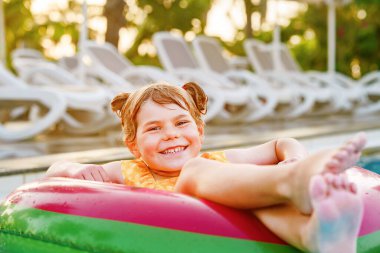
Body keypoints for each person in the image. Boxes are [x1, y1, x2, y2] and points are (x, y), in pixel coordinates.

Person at [46, 82, 366, 253]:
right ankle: (291, 183)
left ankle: (312, 236)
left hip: (236, 214)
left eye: (181, 123)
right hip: (175, 233)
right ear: (133, 145)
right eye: (153, 128)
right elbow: (52, 173)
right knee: (196, 171)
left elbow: (280, 143)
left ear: (199, 132)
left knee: (253, 196)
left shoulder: (222, 162)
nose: (170, 133)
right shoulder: (129, 170)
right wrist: (75, 168)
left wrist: (295, 157)